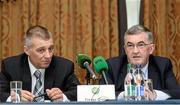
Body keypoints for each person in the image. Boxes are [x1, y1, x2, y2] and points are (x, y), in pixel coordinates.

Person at [0, 25, 80, 102]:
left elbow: (79, 91)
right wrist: (13, 98)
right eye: (41, 50)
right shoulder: (11, 66)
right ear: (27, 50)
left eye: (50, 49)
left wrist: (63, 96)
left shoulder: (64, 67)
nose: (48, 56)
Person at [100, 25, 180, 100]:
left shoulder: (162, 65)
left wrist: (154, 94)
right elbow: (102, 95)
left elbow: (177, 93)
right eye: (130, 45)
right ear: (125, 49)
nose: (135, 51)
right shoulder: (112, 66)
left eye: (141, 45)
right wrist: (126, 94)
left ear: (151, 49)